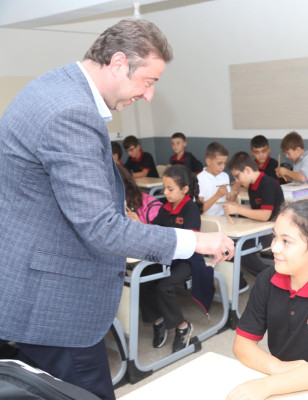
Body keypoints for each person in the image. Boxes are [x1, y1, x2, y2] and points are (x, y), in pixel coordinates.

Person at [0, 19, 233, 400]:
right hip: (55, 305)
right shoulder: (71, 112)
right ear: (119, 62)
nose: (149, 95)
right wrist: (197, 241)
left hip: (31, 287)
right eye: (149, 81)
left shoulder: (53, 87)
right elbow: (102, 228)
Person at [228, 200, 308, 399]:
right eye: (275, 237)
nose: (274, 248)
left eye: (286, 241)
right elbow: (242, 345)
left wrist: (266, 385)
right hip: (283, 384)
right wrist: (278, 367)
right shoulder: (267, 279)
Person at [142, 165, 201, 353]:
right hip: (168, 257)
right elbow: (155, 230)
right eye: (164, 188)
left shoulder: (190, 209)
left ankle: (183, 327)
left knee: (164, 286)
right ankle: (158, 319)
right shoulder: (165, 208)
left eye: (170, 189)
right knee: (144, 280)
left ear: (184, 189)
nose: (165, 193)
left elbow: (189, 241)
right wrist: (139, 224)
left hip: (187, 260)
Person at [225, 151, 285, 276]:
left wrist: (237, 210)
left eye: (237, 176)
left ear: (247, 170)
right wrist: (235, 199)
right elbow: (254, 209)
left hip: (273, 232)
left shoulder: (267, 184)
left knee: (240, 248)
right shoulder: (252, 185)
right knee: (227, 244)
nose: (237, 180)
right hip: (259, 228)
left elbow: (264, 215)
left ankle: (269, 277)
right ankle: (239, 282)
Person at [198, 141, 235, 216]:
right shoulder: (200, 179)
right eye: (219, 163)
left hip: (222, 218)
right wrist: (217, 195)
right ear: (208, 161)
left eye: (225, 163)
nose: (223, 167)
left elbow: (228, 200)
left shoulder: (225, 176)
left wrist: (235, 194)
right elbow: (199, 210)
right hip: (206, 219)